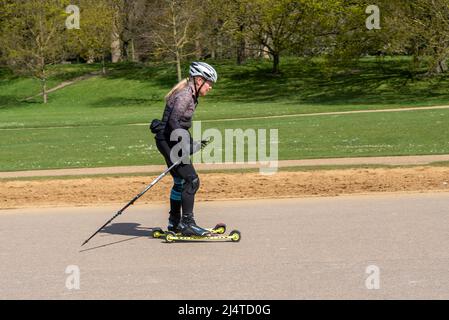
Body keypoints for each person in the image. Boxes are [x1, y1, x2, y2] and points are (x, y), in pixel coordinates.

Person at [153, 62, 217, 236]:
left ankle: (174, 222)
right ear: (198, 80)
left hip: (168, 140)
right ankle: (187, 223)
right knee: (192, 180)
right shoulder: (185, 96)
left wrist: (191, 142)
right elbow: (174, 122)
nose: (210, 87)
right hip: (169, 142)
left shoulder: (190, 93)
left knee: (180, 182)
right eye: (209, 82)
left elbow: (177, 124)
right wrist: (186, 144)